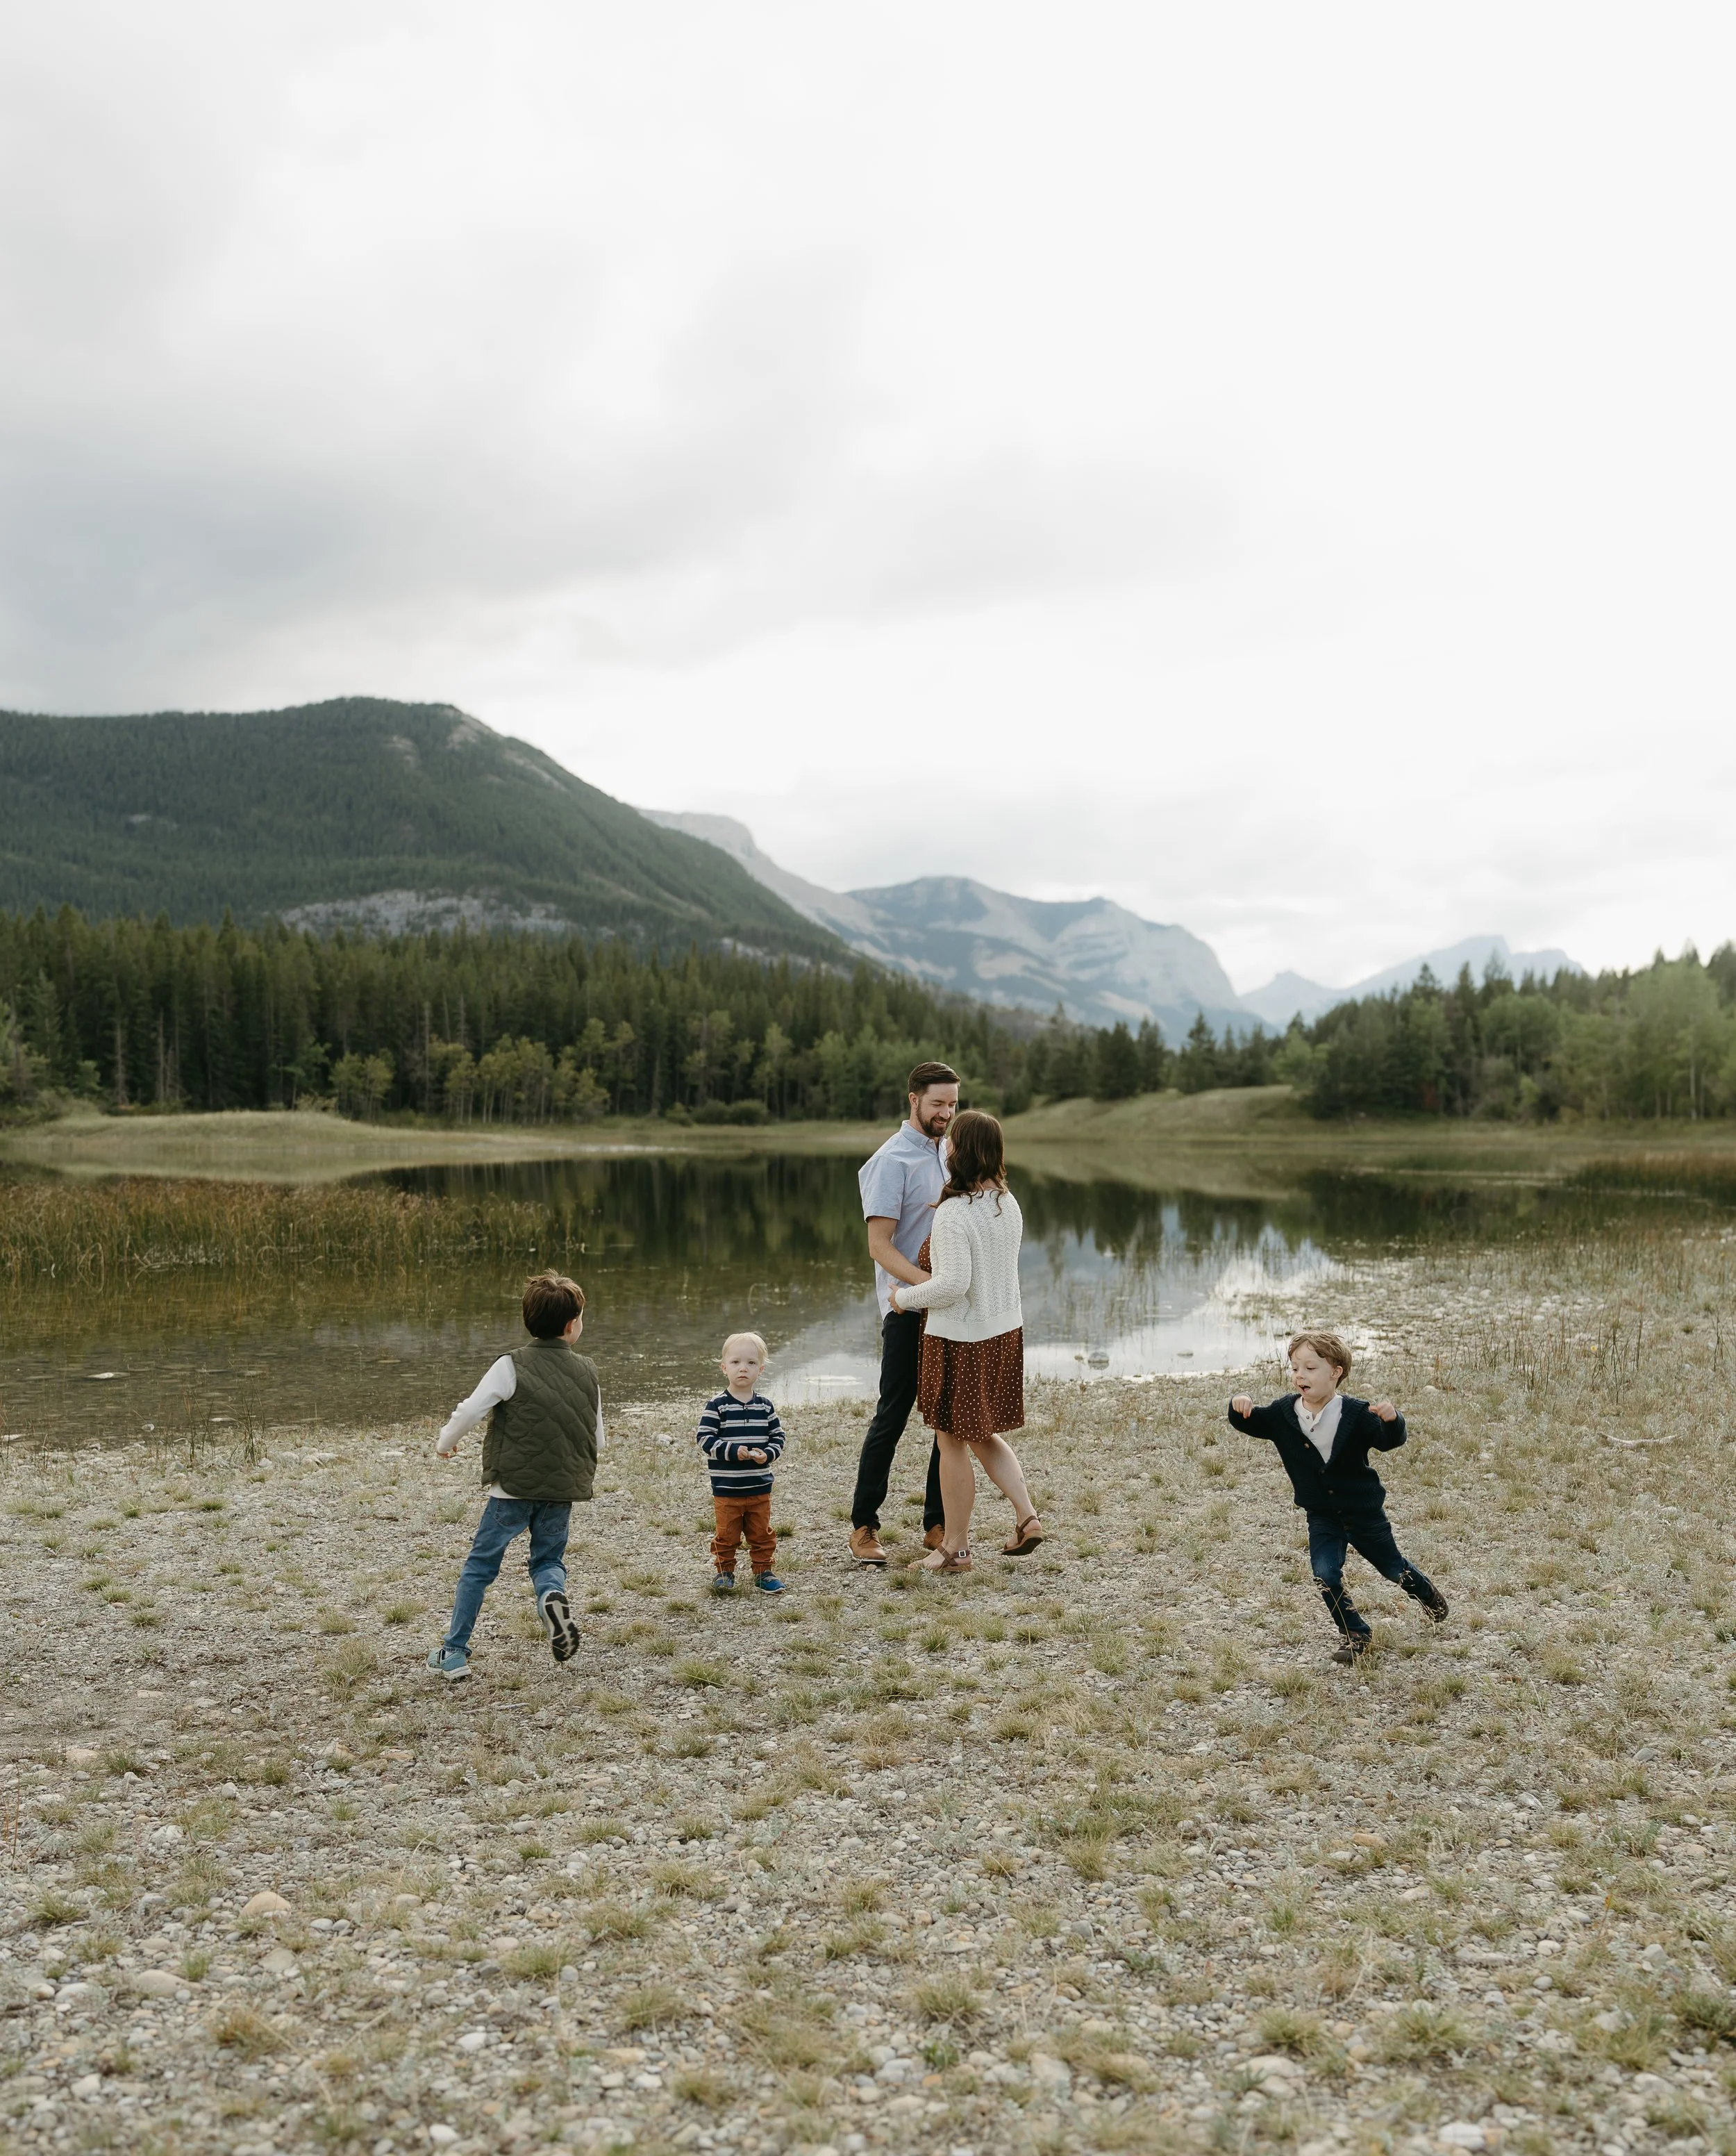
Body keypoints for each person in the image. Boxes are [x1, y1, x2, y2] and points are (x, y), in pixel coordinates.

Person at [1229, 1332, 1449, 1664]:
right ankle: (1356, 1633)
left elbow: (1390, 1441)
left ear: (1336, 1371)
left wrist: (1392, 1420)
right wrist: (1238, 1404)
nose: (1300, 1375)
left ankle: (1427, 1594)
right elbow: (1249, 1421)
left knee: (1392, 1568)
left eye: (1310, 1368)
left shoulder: (1357, 1414)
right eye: (1295, 1368)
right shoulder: (1282, 1414)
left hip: (1364, 1513)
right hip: (1323, 1516)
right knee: (1325, 1574)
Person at [426, 1270, 601, 1682]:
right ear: (572, 1325)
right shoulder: (588, 1371)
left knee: (480, 1566)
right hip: (562, 1488)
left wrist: (445, 1440)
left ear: (528, 1321)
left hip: (512, 1490)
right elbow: (598, 1437)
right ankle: (551, 1598)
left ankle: (454, 1652)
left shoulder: (511, 1365)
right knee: (548, 1559)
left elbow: (472, 1410)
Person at [891, 1109, 1042, 1573]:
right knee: (980, 1432)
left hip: (961, 1338)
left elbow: (953, 1285)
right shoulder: (1006, 1201)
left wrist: (904, 1297)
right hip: (1002, 1332)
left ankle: (954, 1550)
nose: (947, 1145)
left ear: (961, 1150)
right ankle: (1028, 1517)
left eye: (953, 1140)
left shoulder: (955, 1214)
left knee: (951, 1440)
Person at [847, 1061, 958, 1565]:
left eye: (953, 1104)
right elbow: (879, 1246)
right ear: (913, 1099)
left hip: (949, 1306)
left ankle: (937, 1523)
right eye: (937, 1103)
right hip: (907, 1308)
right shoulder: (891, 1162)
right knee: (892, 1415)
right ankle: (864, 1526)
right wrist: (928, 1286)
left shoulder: (948, 1154)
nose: (946, 1113)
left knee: (946, 1417)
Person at [698, 1331, 787, 1596]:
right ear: (724, 1367)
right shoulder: (718, 1406)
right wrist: (734, 1451)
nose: (743, 1369)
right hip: (727, 1488)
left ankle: (763, 1572)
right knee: (727, 1535)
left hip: (760, 1486)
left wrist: (768, 1454)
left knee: (762, 1533)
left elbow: (778, 1437)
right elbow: (705, 1439)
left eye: (750, 1363)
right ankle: (724, 1571)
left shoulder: (765, 1406)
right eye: (736, 1363)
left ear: (760, 1369)